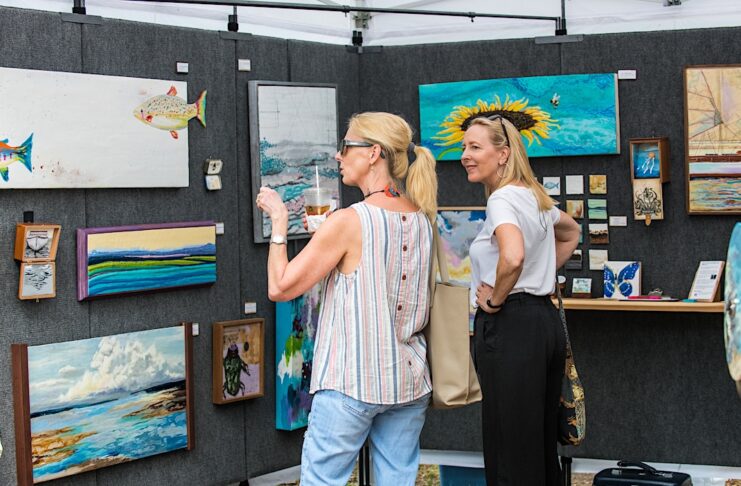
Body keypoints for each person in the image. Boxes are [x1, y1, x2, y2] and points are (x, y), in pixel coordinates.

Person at [256, 112, 438, 486]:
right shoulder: (423, 217)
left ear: (373, 153)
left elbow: (281, 286)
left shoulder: (349, 220)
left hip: (351, 382)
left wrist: (278, 223)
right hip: (408, 382)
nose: (338, 156)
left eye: (345, 147)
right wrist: (327, 237)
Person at [461, 115, 580, 485]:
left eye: (475, 147)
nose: (465, 155)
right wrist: (537, 275)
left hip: (510, 326)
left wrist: (496, 298)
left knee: (509, 446)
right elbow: (572, 230)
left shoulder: (502, 199)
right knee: (538, 444)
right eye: (465, 146)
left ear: (503, 154)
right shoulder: (534, 196)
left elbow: (512, 257)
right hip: (541, 323)